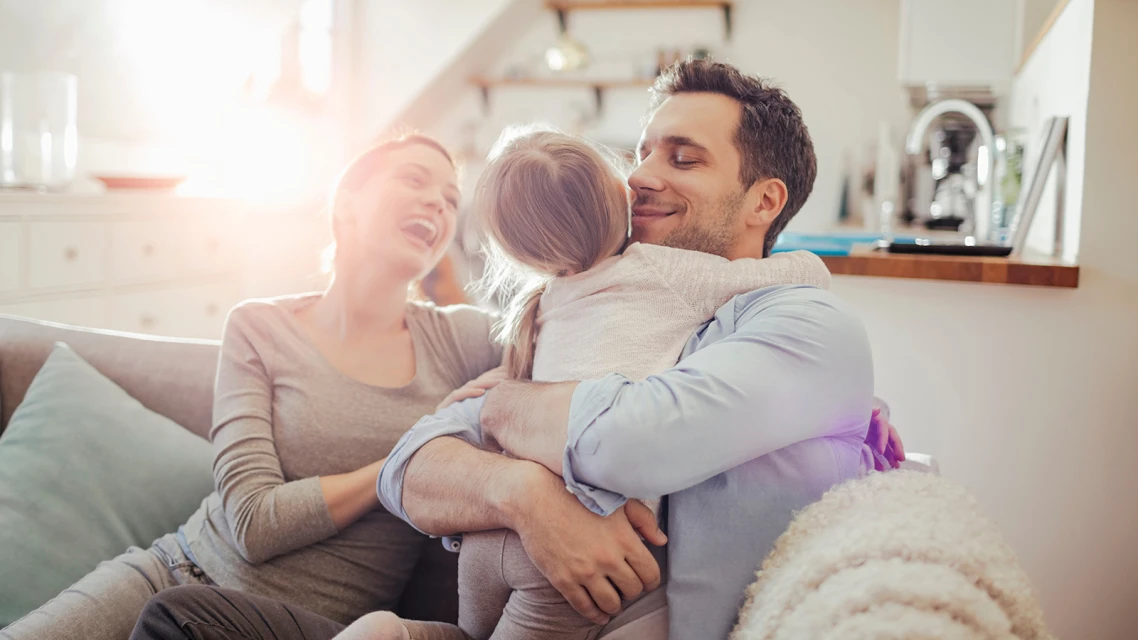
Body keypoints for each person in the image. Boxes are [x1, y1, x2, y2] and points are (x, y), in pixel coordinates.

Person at [128, 59, 906, 640]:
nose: (639, 178)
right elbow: (412, 466)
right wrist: (526, 497)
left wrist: (502, 410)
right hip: (502, 593)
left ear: (765, 200)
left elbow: (633, 441)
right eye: (640, 152)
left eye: (682, 157)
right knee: (185, 619)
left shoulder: (806, 326)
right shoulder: (591, 290)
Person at [0, 134, 503, 640]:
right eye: (415, 179)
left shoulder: (460, 340)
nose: (438, 202)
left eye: (451, 199)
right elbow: (252, 523)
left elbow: (565, 333)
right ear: (346, 201)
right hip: (168, 573)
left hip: (299, 625)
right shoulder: (260, 328)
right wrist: (402, 465)